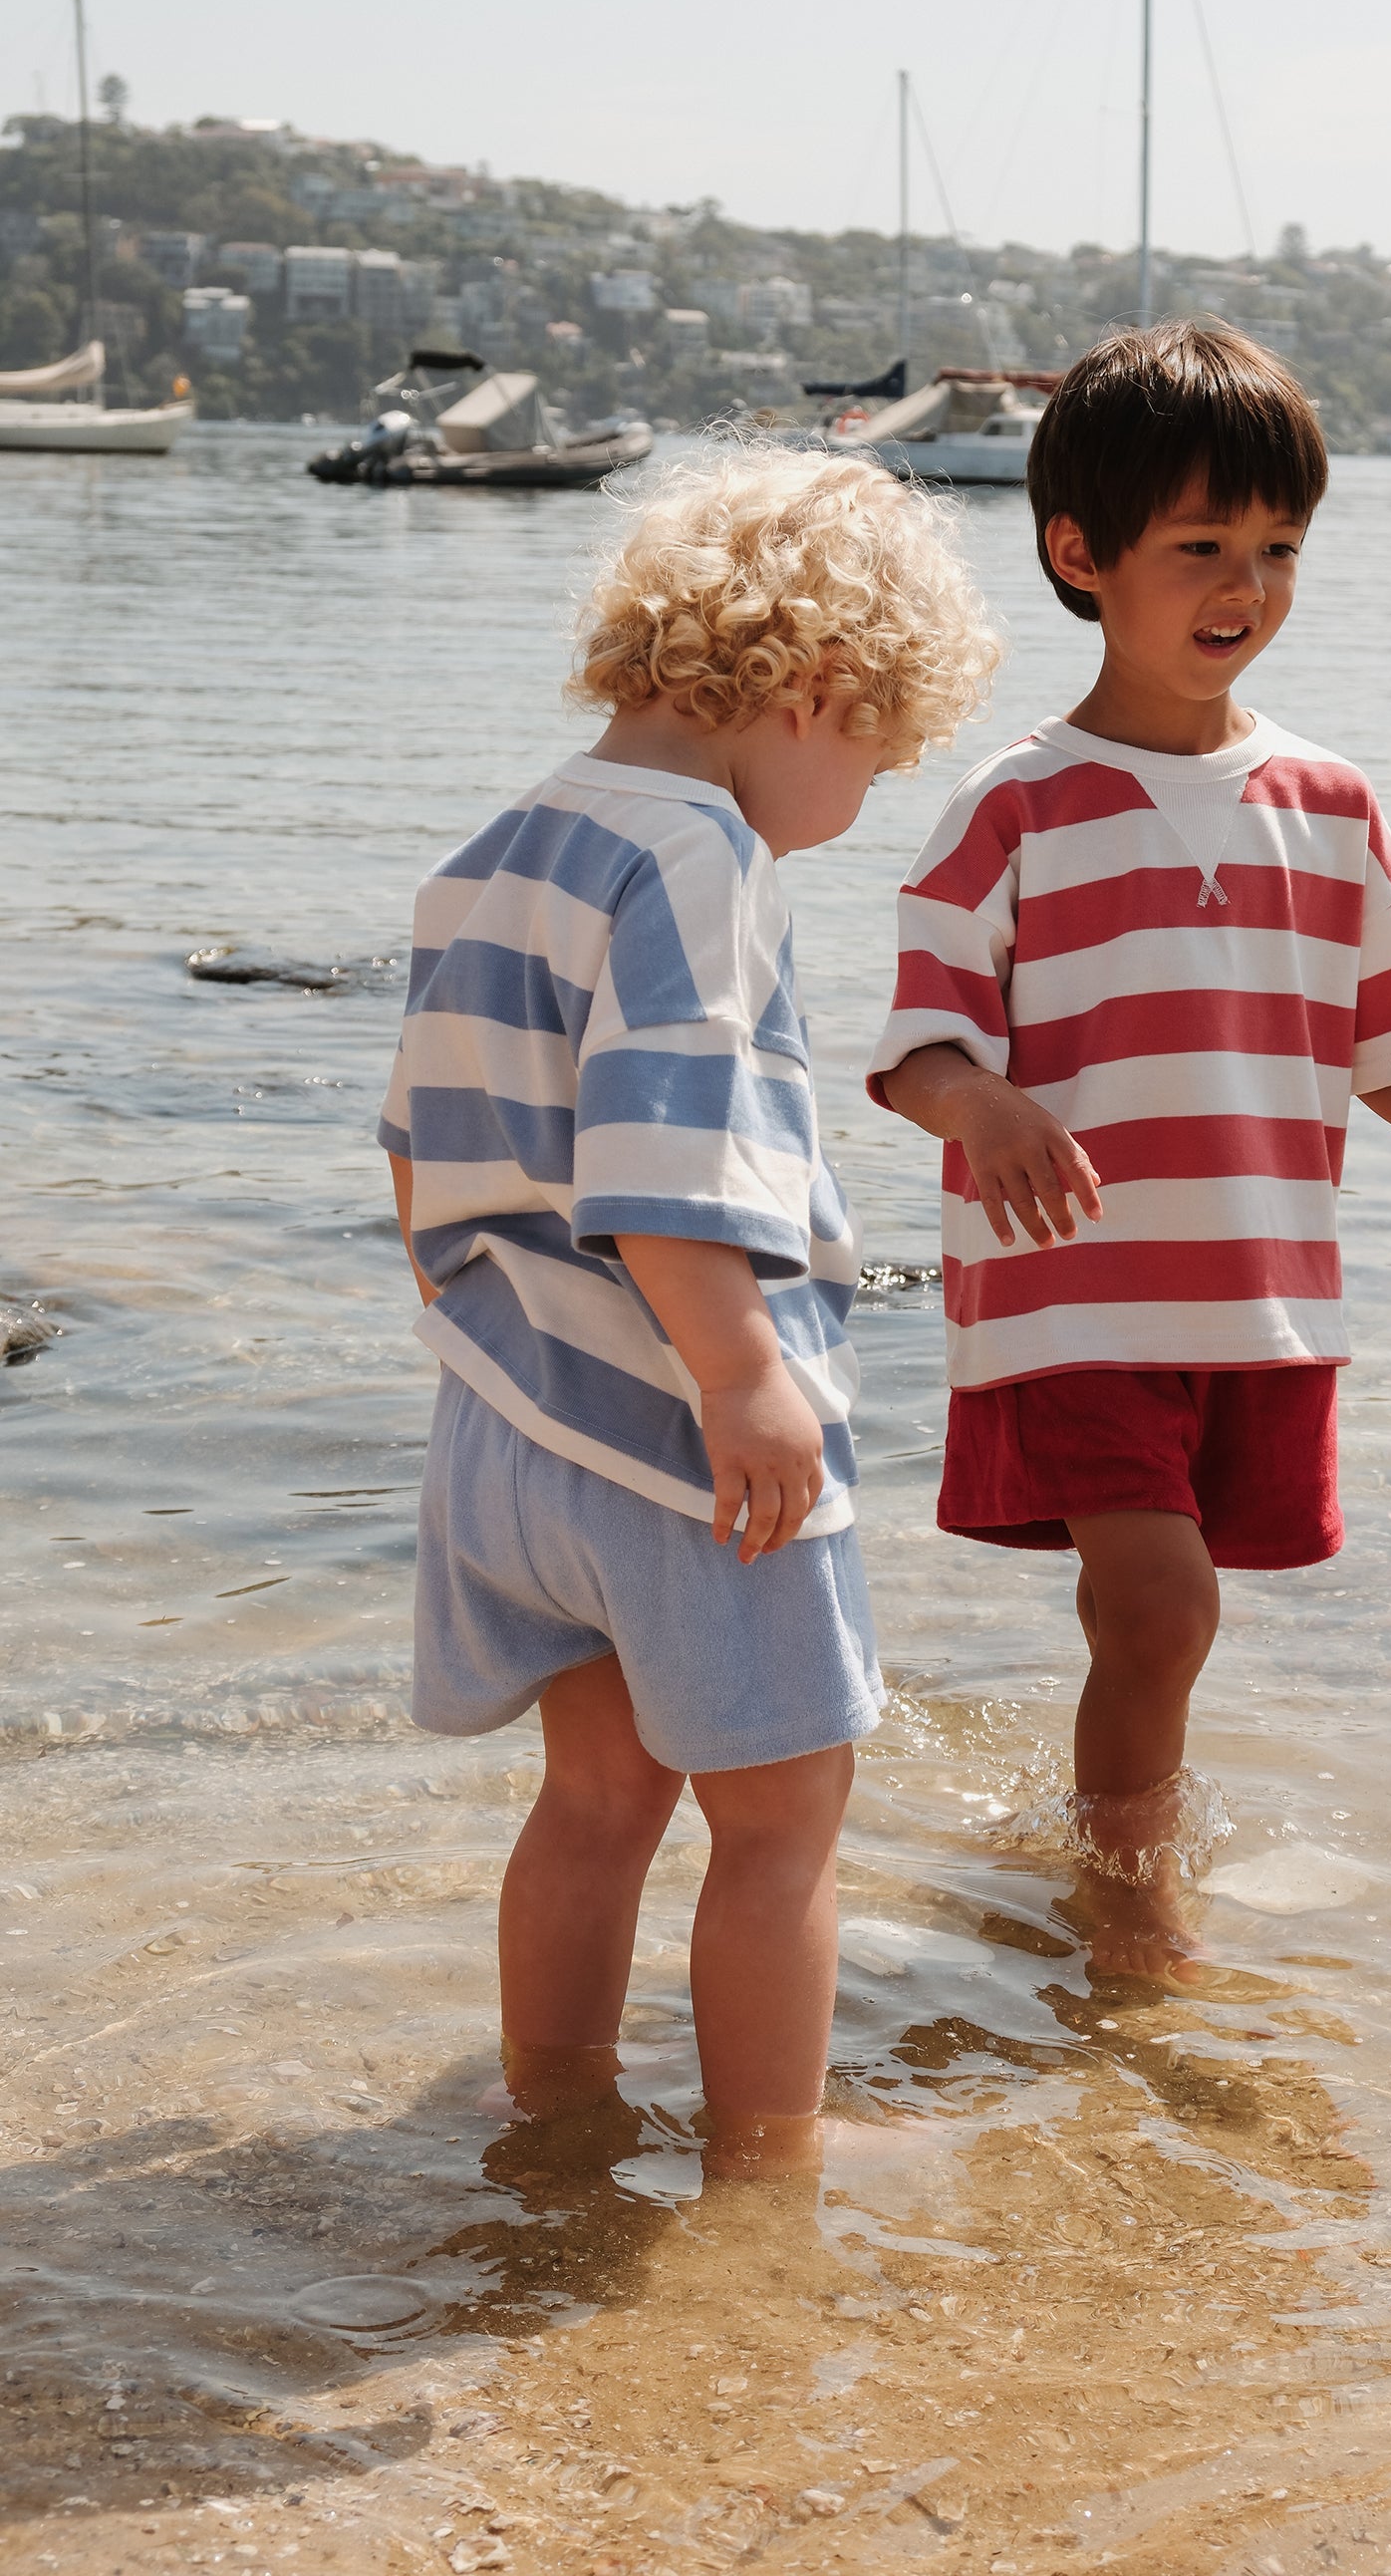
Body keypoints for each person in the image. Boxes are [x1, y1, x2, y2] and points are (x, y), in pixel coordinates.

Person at [870, 323, 1391, 1972]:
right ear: (1081, 555)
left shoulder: (1331, 802)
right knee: (1167, 1603)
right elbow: (914, 1042)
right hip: (1073, 1292)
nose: (1243, 585)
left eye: (1276, 550)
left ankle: (1092, 1833)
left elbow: (1389, 1045)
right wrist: (980, 1102)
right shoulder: (1017, 806)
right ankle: (1135, 1915)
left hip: (1253, 1293)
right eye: (1200, 548)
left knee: (1152, 1607)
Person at [381, 443, 999, 2166]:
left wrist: (475, 1335)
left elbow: (417, 1146)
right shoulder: (701, 857)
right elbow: (664, 1152)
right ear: (814, 689)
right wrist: (743, 1376)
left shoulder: (496, 851)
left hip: (511, 1425)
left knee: (594, 1799)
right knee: (787, 1813)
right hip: (677, 1436)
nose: (866, 795)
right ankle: (769, 2171)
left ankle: (557, 2108)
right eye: (881, 752)